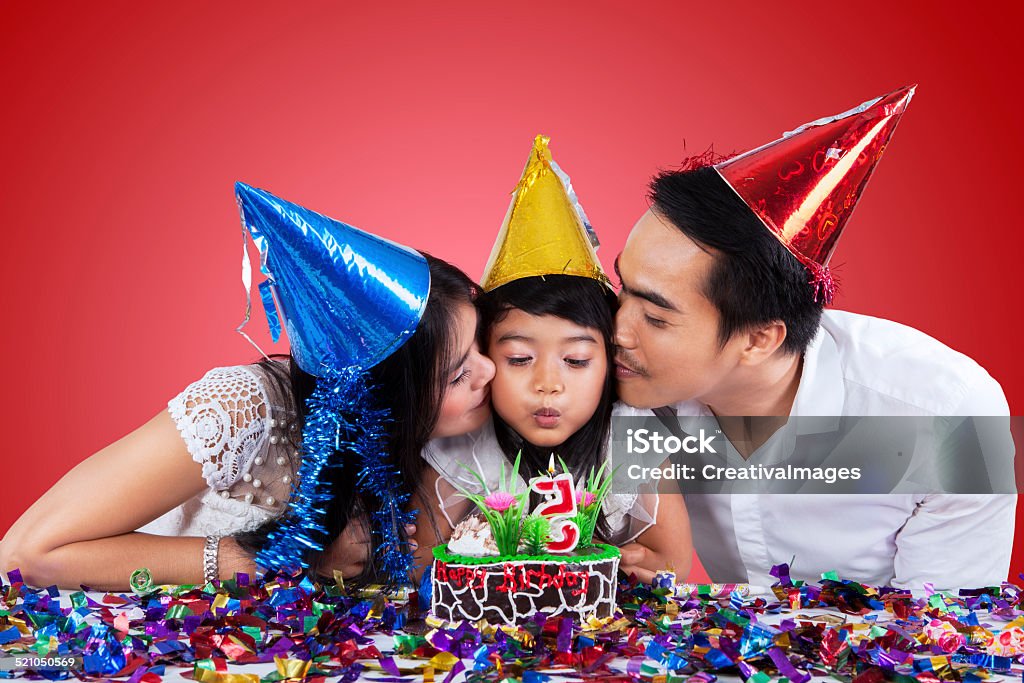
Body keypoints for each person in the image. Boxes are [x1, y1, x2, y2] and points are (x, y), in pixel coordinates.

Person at [612, 86, 1016, 589]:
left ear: (760, 339)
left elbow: (942, 639)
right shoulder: (613, 392)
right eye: (619, 289)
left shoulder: (944, 415)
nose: (614, 329)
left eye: (655, 317)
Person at [0, 184, 494, 590]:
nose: (489, 371)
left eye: (480, 347)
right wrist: (280, 557)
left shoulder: (448, 439)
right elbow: (28, 554)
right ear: (377, 395)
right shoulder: (242, 408)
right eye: (457, 373)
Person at [413, 136, 692, 581]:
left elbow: (673, 563)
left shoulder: (631, 442)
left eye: (576, 360)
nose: (548, 383)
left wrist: (645, 567)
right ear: (483, 357)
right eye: (520, 358)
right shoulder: (463, 448)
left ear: (610, 364)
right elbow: (420, 565)